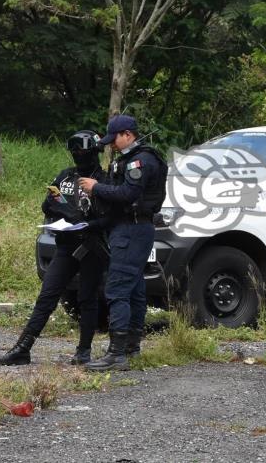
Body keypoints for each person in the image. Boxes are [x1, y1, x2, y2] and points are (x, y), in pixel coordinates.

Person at [0, 130, 109, 366]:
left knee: (88, 298)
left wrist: (86, 222)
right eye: (74, 151)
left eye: (82, 151)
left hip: (91, 246)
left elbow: (111, 217)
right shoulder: (65, 177)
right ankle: (22, 348)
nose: (78, 155)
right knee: (47, 295)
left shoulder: (103, 181)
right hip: (65, 246)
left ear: (94, 152)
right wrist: (71, 214)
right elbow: (48, 202)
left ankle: (84, 351)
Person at [78, 114, 167, 372]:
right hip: (131, 228)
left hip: (132, 229)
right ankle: (131, 347)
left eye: (115, 139)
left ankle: (117, 354)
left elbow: (128, 194)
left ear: (128, 134)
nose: (112, 145)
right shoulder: (130, 159)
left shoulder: (140, 161)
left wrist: (96, 188)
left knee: (117, 289)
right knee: (135, 290)